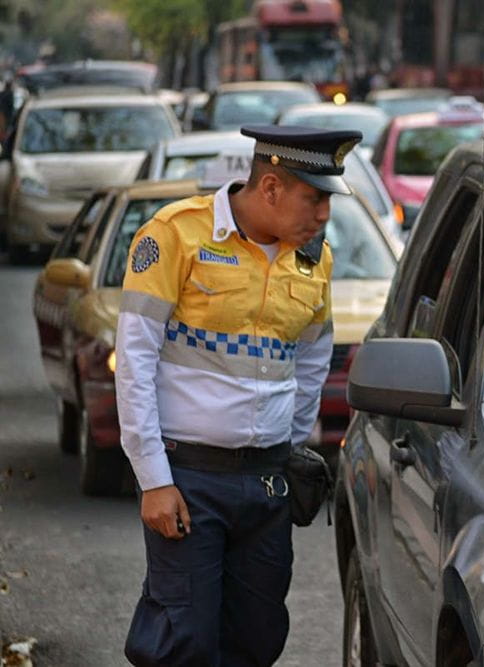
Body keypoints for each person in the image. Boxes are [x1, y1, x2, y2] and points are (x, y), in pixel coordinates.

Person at [115, 125, 361, 666]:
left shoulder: (313, 259)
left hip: (267, 481)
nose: (323, 214)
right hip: (190, 479)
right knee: (186, 641)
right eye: (314, 198)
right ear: (270, 186)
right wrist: (153, 480)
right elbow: (133, 363)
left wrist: (296, 445)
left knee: (257, 636)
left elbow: (314, 356)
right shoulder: (176, 235)